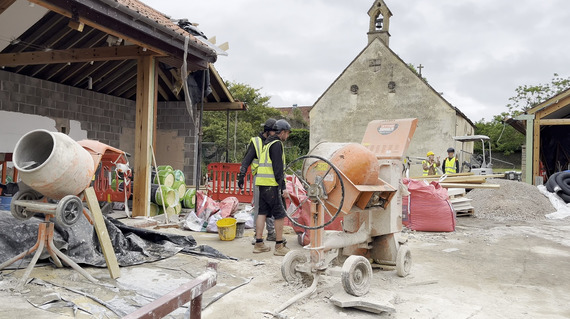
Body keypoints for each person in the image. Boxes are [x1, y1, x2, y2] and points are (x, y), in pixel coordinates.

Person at [253, 119, 292, 255]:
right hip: (272, 186)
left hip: (262, 184)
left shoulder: (267, 143)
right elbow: (278, 169)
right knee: (280, 214)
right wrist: (283, 188)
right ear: (282, 132)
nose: (287, 136)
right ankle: (279, 246)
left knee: (262, 213)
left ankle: (259, 243)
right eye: (287, 133)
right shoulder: (276, 144)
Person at [237, 118, 278, 243]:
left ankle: (271, 233)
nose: (276, 134)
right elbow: (246, 160)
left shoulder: (273, 143)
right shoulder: (256, 142)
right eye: (274, 131)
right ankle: (257, 235)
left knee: (271, 206)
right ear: (268, 131)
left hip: (271, 181)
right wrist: (241, 175)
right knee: (260, 208)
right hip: (259, 180)